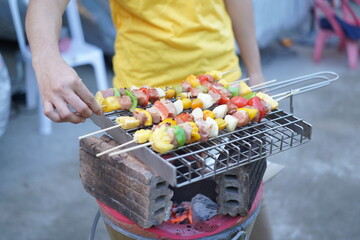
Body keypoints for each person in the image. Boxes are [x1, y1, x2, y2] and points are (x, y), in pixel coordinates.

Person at [26, 0, 272, 239]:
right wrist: (45, 58)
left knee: (240, 193)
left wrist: (255, 70)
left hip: (219, 86)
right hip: (139, 92)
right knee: (144, 202)